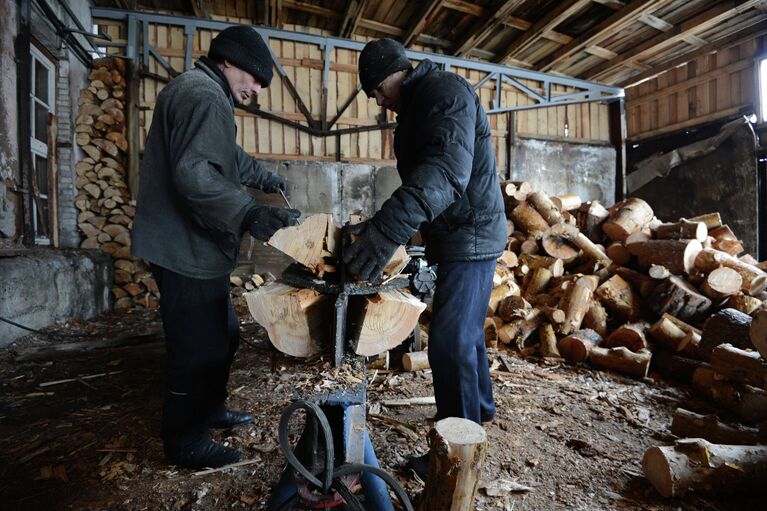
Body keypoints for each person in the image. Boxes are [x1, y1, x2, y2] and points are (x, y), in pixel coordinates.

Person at [132, 25, 301, 470]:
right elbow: (195, 175)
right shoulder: (205, 96)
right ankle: (185, 440)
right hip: (183, 248)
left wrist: (263, 176)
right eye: (254, 78)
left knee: (222, 336)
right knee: (197, 349)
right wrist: (248, 212)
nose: (257, 88)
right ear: (228, 61)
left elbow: (225, 156)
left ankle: (209, 410)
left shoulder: (204, 93)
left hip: (192, 248)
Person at [345, 38, 508, 476]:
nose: (380, 101)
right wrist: (379, 225)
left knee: (449, 341)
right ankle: (481, 408)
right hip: (459, 233)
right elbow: (425, 182)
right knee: (466, 332)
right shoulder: (421, 107)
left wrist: (387, 230)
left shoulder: (444, 94)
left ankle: (457, 453)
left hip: (471, 234)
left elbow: (444, 173)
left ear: (395, 72)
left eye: (378, 90)